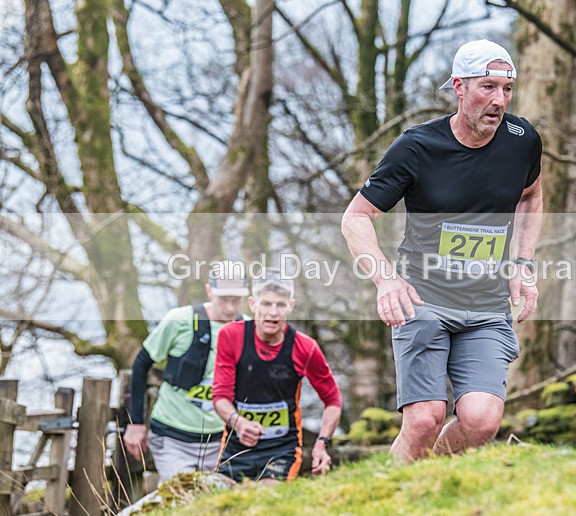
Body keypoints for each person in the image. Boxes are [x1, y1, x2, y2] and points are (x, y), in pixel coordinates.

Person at [340, 39, 543, 461]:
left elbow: (530, 196)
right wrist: (385, 280)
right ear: (458, 87)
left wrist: (522, 264)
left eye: (507, 89)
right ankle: (395, 495)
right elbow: (356, 217)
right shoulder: (416, 148)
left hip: (485, 303)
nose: (499, 100)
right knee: (423, 420)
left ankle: (428, 483)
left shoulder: (522, 139)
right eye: (487, 87)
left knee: (482, 420)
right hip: (423, 298)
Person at [123, 261, 248, 482]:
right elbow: (141, 364)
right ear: (209, 291)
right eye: (223, 299)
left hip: (222, 440)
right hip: (172, 437)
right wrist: (136, 424)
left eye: (236, 300)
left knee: (220, 506)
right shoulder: (179, 320)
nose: (230, 308)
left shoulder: (250, 330)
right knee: (181, 500)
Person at [212, 271, 342, 484]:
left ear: (291, 306)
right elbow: (220, 398)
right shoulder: (231, 336)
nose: (272, 313)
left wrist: (321, 443)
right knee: (224, 506)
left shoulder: (305, 347)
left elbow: (333, 400)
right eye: (266, 304)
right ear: (252, 304)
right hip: (236, 449)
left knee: (267, 498)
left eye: (280, 305)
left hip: (282, 451)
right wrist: (239, 423)